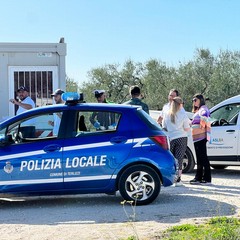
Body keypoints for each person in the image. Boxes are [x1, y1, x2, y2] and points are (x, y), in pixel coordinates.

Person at [162, 97, 190, 186]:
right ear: (180, 104)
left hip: (170, 137)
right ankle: (178, 180)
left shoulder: (167, 113)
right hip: (181, 137)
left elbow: (164, 126)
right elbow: (186, 127)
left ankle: (169, 179)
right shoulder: (183, 113)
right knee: (179, 159)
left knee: (171, 159)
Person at [190, 93, 212, 185]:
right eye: (193, 100)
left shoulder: (203, 109)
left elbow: (206, 118)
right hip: (198, 138)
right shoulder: (199, 110)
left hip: (201, 137)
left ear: (200, 100)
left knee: (203, 157)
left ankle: (207, 178)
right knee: (200, 158)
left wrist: (202, 127)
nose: (194, 102)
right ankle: (199, 177)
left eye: (195, 100)